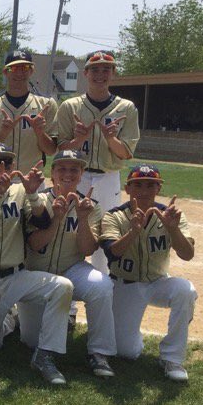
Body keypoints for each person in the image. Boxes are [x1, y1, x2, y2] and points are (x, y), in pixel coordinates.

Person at [0, 143, 74, 385]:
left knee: (62, 286)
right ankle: (9, 318)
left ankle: (45, 356)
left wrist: (32, 193)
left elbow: (42, 223)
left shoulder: (21, 192)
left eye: (6, 163)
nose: (0, 168)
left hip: (17, 277)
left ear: (13, 166)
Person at [23, 150, 117, 377]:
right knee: (29, 340)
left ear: (81, 174)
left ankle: (99, 353)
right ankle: (17, 317)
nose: (68, 174)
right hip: (35, 274)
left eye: (74, 169)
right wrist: (57, 219)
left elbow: (87, 250)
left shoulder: (89, 205)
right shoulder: (36, 200)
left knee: (102, 285)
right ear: (52, 173)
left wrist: (83, 218)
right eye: (62, 169)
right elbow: (35, 244)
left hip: (71, 268)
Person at [99, 165, 197, 381]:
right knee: (127, 352)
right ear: (127, 188)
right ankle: (131, 333)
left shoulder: (171, 215)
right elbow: (112, 253)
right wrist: (134, 231)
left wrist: (173, 228)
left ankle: (172, 358)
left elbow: (187, 254)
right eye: (138, 185)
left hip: (158, 282)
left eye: (151, 185)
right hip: (126, 284)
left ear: (159, 188)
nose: (144, 190)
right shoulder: (114, 216)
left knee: (186, 291)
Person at [56, 50, 141, 274]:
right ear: (85, 73)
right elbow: (60, 151)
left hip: (108, 176)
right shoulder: (70, 106)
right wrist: (78, 140)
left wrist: (111, 139)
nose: (100, 74)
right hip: (75, 176)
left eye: (106, 69)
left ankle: (100, 290)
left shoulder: (126, 108)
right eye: (95, 69)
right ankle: (70, 301)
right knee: (69, 230)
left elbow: (125, 153)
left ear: (113, 73)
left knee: (106, 231)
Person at [0, 50, 58, 175]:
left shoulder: (47, 104)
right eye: (13, 68)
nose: (19, 72)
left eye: (24, 67)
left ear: (31, 70)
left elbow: (51, 150)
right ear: (5, 72)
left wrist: (39, 132)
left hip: (33, 179)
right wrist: (2, 133)